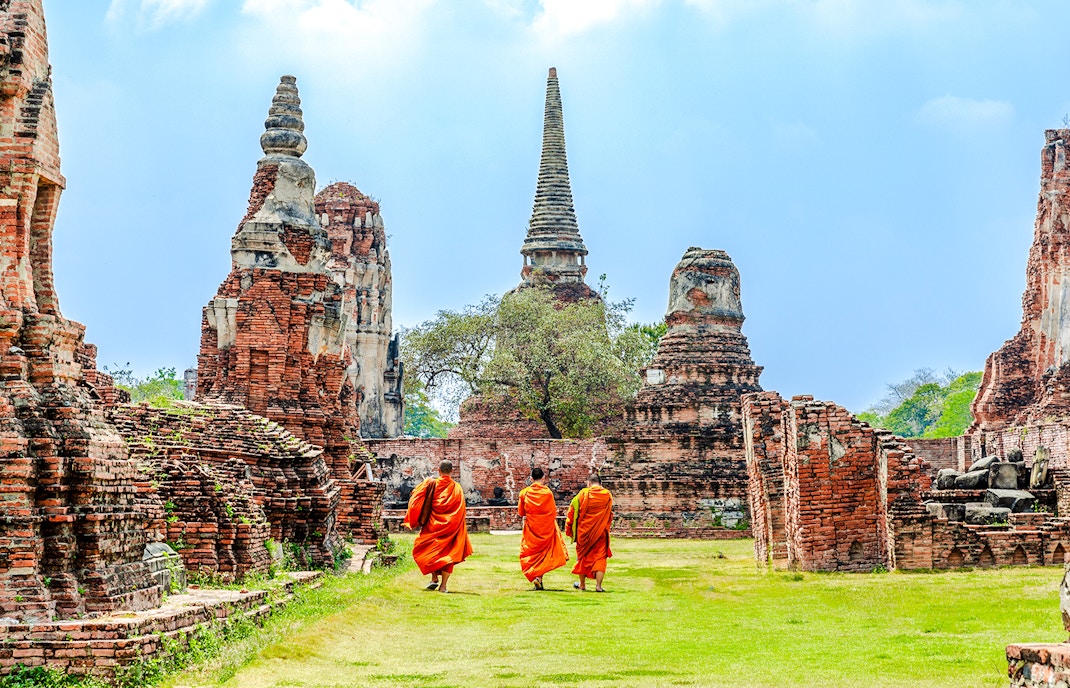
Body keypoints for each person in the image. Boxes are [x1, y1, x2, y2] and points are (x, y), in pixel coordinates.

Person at [403, 459, 473, 593]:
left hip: (433, 526)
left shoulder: (431, 483)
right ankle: (441, 585)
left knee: (425, 550)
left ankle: (435, 577)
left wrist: (426, 482)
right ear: (452, 471)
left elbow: (415, 499)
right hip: (451, 527)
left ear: (439, 470)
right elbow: (462, 509)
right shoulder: (457, 488)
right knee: (448, 555)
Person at [517, 467, 568, 590]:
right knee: (544, 554)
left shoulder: (524, 493)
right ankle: (538, 579)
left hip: (531, 528)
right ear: (543, 478)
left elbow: (521, 512)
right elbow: (553, 512)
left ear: (531, 479)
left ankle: (537, 578)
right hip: (545, 528)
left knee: (531, 553)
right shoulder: (548, 493)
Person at [565, 473, 613, 592]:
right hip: (600, 532)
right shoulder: (607, 495)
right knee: (600, 558)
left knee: (582, 558)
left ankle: (582, 584)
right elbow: (609, 515)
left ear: (589, 483)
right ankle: (598, 586)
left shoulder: (583, 494)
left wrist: (569, 528)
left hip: (584, 532)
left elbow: (572, 511)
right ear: (600, 483)